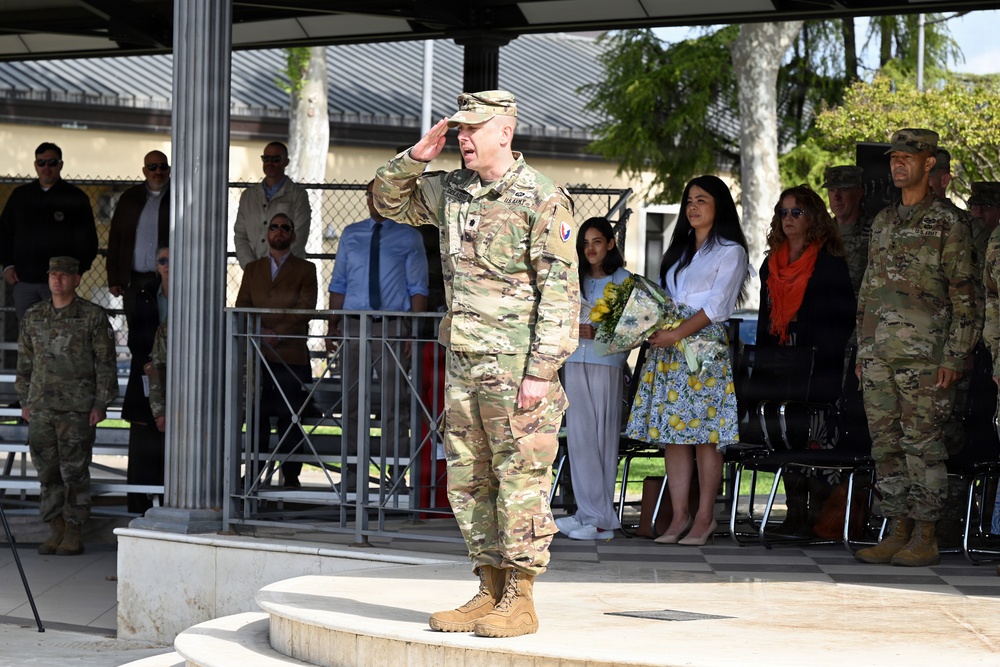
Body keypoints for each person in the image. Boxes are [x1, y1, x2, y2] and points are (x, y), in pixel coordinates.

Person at [373, 90, 579, 638]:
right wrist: (415, 158)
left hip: (516, 369)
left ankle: (521, 597)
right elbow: (387, 203)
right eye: (458, 130)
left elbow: (560, 293)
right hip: (464, 362)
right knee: (468, 480)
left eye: (473, 130)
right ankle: (489, 587)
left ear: (505, 132)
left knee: (520, 478)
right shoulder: (452, 190)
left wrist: (541, 371)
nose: (462, 139)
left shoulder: (542, 197)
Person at [854, 128, 982, 567]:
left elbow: (966, 294)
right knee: (885, 446)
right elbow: (868, 290)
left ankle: (925, 535)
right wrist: (861, 348)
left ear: (930, 164)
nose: (898, 164)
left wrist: (955, 354)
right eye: (894, 157)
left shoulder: (950, 222)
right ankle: (897, 529)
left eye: (909, 157)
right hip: (878, 355)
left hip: (927, 357)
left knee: (923, 446)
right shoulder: (884, 221)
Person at [625, 175, 750, 547]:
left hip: (703, 353)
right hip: (669, 351)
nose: (693, 207)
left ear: (719, 206)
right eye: (689, 201)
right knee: (674, 437)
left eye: (702, 200)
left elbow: (716, 306)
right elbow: (665, 300)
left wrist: (677, 333)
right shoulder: (678, 249)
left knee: (704, 438)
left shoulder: (731, 251)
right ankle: (678, 516)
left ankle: (705, 517)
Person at [756, 185, 857, 536]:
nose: (788, 219)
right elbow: (764, 321)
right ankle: (793, 511)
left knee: (813, 436)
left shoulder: (829, 265)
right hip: (780, 362)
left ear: (813, 217)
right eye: (783, 213)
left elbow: (844, 321)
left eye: (796, 212)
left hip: (817, 367)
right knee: (784, 435)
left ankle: (817, 515)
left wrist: (817, 355)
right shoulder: (770, 265)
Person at [326, 179, 429, 492]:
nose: (376, 200)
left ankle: (395, 479)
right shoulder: (350, 234)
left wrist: (413, 331)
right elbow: (339, 282)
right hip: (355, 326)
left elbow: (418, 288)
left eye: (383, 195)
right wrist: (333, 326)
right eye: (372, 195)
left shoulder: (409, 236)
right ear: (367, 198)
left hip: (392, 326)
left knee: (394, 402)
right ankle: (353, 476)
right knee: (353, 402)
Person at [15, 256, 118, 555]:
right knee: (47, 473)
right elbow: (25, 363)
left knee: (74, 473)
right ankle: (54, 528)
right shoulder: (34, 316)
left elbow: (105, 364)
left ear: (76, 279)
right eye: (53, 274)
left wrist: (100, 403)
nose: (57, 279)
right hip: (41, 409)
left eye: (64, 275)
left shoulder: (92, 317)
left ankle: (74, 530)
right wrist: (25, 400)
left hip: (78, 409)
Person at [556, 217, 631, 541]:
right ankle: (588, 514)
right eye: (585, 243)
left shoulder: (624, 281)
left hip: (607, 364)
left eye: (597, 241)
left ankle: (602, 520)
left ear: (610, 244)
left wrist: (598, 332)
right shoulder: (575, 280)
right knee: (580, 440)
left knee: (602, 440)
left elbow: (634, 331)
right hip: (574, 361)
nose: (590, 248)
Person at [236, 213, 318, 489]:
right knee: (257, 417)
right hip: (259, 356)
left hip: (291, 355)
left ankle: (292, 476)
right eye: (275, 227)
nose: (279, 231)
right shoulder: (252, 269)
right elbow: (242, 307)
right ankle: (255, 474)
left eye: (285, 227)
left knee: (290, 417)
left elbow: (306, 307)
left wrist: (278, 332)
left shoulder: (306, 269)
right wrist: (262, 334)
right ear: (267, 233)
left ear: (293, 236)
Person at [0, 142, 98, 320]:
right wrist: (7, 265)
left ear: (60, 164)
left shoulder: (75, 198)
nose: (46, 167)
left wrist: (78, 271)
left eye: (52, 162)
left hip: (60, 283)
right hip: (24, 281)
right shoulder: (20, 196)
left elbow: (88, 241)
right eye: (41, 163)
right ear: (35, 165)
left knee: (60, 337)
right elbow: (4, 233)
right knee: (29, 337)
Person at [123, 245, 169, 514]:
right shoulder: (144, 294)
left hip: (182, 376)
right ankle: (140, 508)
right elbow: (135, 336)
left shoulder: (194, 294)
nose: (167, 265)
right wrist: (147, 363)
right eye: (162, 260)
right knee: (144, 443)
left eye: (172, 260)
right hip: (148, 374)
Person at [107, 151, 171, 328]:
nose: (158, 171)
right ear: (144, 170)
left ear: (169, 169)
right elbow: (115, 239)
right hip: (134, 281)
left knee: (167, 330)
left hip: (167, 280)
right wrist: (114, 279)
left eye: (162, 166)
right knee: (136, 335)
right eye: (152, 166)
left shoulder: (178, 197)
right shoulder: (130, 198)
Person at [233, 141, 311, 268]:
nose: (270, 163)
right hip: (254, 274)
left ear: (286, 162)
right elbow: (241, 236)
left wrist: (277, 268)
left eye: (275, 159)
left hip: (287, 272)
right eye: (266, 158)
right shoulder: (248, 196)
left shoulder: (298, 195)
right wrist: (251, 267)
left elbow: (299, 236)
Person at [822, 165, 871, 298]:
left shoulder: (876, 231)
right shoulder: (821, 233)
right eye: (832, 190)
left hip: (860, 314)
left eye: (843, 190)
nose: (836, 197)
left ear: (858, 194)